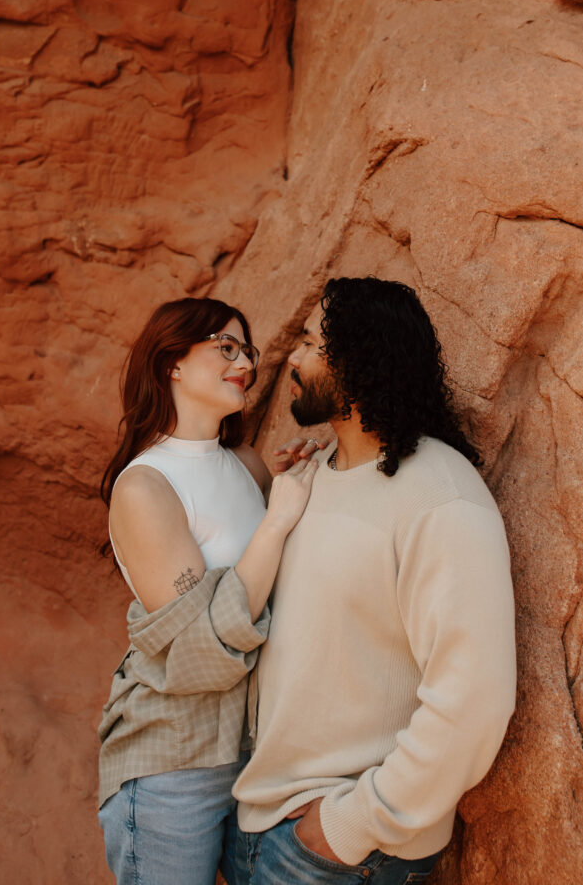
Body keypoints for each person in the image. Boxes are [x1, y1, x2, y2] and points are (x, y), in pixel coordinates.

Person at [228, 277, 517, 885]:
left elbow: (474, 700)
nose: (293, 360)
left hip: (341, 851)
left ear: (358, 357)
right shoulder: (311, 477)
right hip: (259, 823)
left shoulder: (440, 497)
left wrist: (349, 826)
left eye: (310, 343)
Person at [96, 296, 318, 885]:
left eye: (247, 348)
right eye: (225, 346)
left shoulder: (247, 465)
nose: (244, 360)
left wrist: (303, 483)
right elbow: (197, 651)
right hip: (173, 762)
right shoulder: (145, 486)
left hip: (258, 754)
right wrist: (277, 520)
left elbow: (282, 588)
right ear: (171, 362)